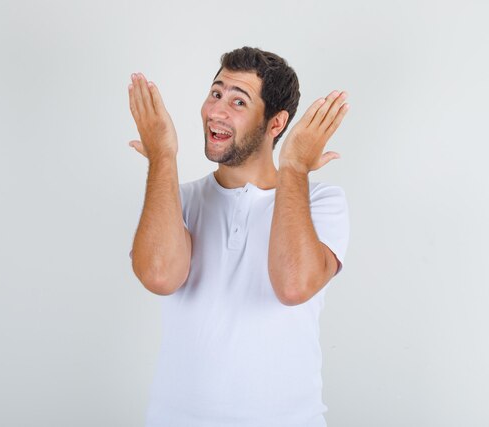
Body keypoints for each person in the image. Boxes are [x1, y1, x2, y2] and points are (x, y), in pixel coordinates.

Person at [128, 46, 350, 427]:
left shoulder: (321, 202)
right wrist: (162, 155)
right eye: (216, 93)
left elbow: (294, 285)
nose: (216, 111)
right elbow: (159, 277)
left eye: (238, 101)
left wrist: (294, 168)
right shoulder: (177, 199)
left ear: (275, 124)